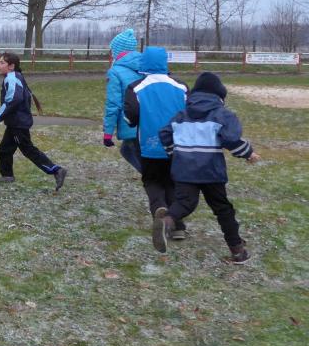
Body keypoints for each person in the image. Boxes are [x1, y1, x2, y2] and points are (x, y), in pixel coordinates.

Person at [157, 72, 260, 263]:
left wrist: (174, 154)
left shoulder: (181, 116)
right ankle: (237, 250)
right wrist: (248, 153)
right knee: (222, 209)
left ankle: (167, 221)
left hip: (184, 170)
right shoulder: (222, 114)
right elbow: (231, 139)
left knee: (185, 203)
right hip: (211, 171)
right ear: (220, 95)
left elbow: (164, 134)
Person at [123, 46, 189, 243]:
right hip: (177, 145)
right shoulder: (182, 87)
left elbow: (131, 116)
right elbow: (190, 113)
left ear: (144, 63)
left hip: (149, 144)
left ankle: (159, 208)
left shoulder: (136, 88)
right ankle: (178, 226)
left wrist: (130, 122)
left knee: (152, 180)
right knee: (173, 182)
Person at [0, 52, 67, 190]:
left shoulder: (12, 78)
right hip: (15, 122)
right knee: (5, 148)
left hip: (18, 123)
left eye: (2, 63)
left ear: (11, 66)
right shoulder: (15, 76)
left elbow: (14, 99)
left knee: (28, 149)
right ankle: (7, 175)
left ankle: (56, 170)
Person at [102, 28, 143, 173]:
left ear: (117, 50)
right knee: (128, 150)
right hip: (149, 122)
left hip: (130, 123)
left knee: (132, 152)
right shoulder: (145, 66)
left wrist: (108, 133)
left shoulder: (115, 72)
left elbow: (113, 104)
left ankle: (155, 182)